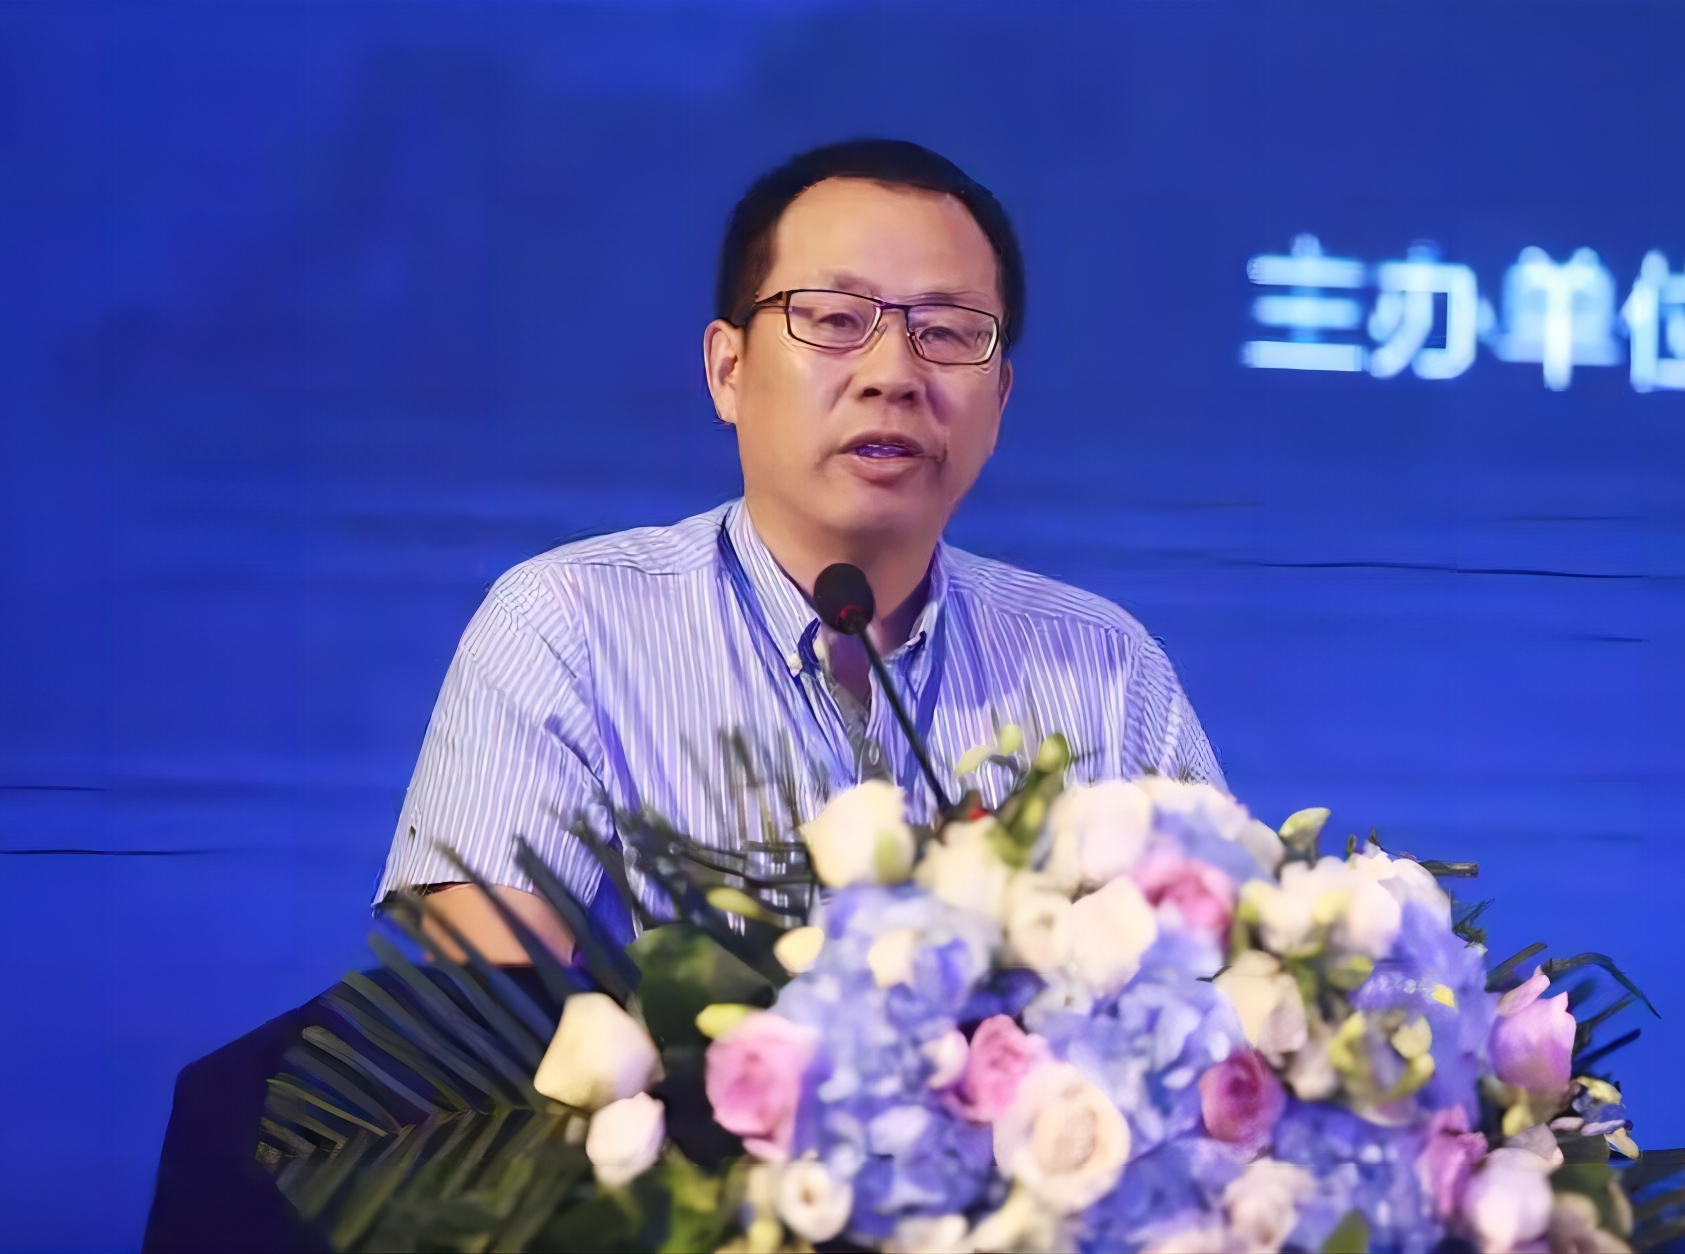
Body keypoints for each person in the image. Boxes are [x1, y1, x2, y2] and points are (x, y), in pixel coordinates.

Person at [380, 139, 1223, 963]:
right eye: (834, 320)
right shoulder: (569, 630)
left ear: (999, 399)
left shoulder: (1108, 673)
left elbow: (1233, 994)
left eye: (946, 332)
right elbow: (480, 1029)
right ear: (728, 370)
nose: (893, 374)